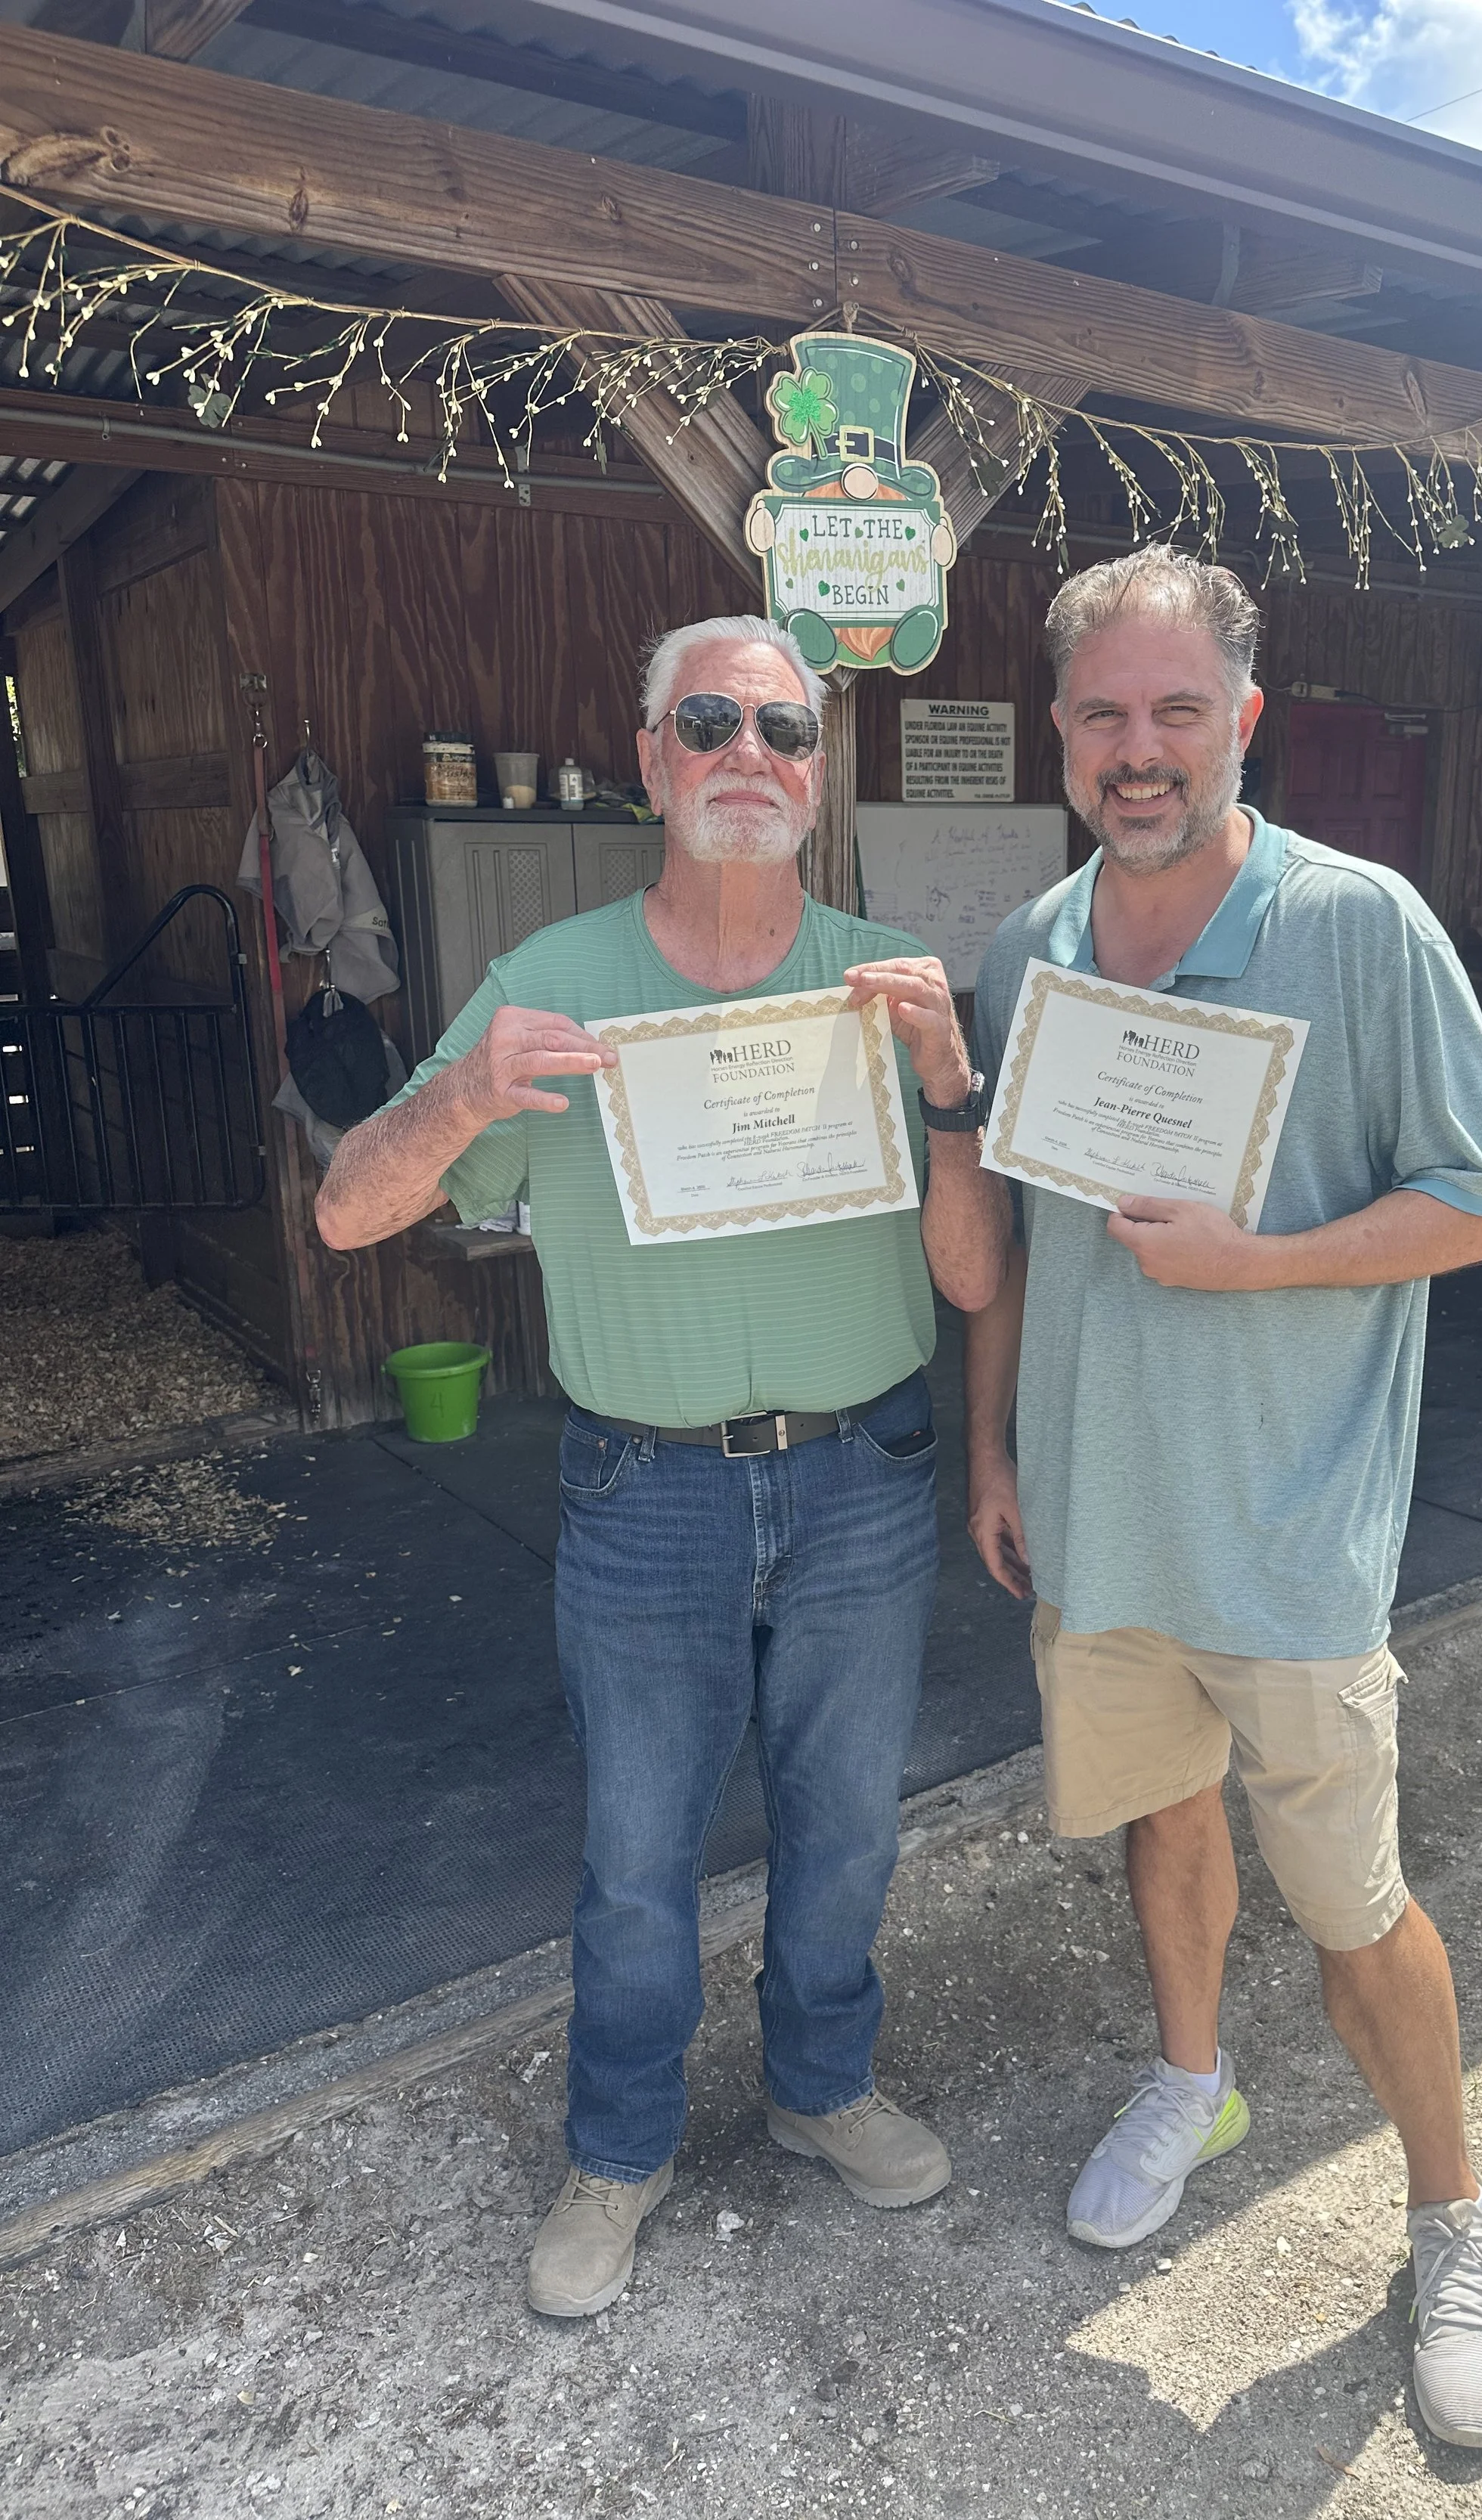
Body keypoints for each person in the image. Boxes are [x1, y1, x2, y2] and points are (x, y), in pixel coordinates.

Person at [318, 615, 1009, 2318]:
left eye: (782, 728)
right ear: (649, 759)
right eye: (709, 721)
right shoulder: (548, 986)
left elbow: (979, 1277)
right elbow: (347, 1206)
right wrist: (470, 1093)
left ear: (815, 767)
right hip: (644, 1496)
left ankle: (816, 2084)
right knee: (637, 1858)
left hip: (861, 1476)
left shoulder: (884, 975)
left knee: (845, 1831)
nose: (747, 754)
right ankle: (617, 2147)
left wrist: (945, 1089)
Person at [965, 547, 1482, 2450]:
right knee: (1158, 1817)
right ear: (1060, 733)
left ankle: (1449, 2220)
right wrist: (993, 1446)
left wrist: (1257, 1260)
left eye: (1176, 712)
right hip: (1102, 1512)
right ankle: (1189, 2079)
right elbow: (1027, 1249)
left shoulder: (1359, 927)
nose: (1141, 752)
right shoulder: (1032, 945)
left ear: (1243, 720)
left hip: (1287, 1531)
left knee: (1355, 1904)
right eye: (1105, 717)